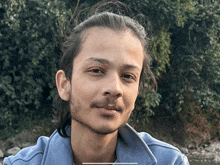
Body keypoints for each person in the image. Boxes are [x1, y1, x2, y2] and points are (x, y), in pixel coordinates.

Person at [3, 2, 189, 165]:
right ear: (64, 84)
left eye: (128, 76)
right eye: (96, 71)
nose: (115, 89)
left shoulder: (171, 162)